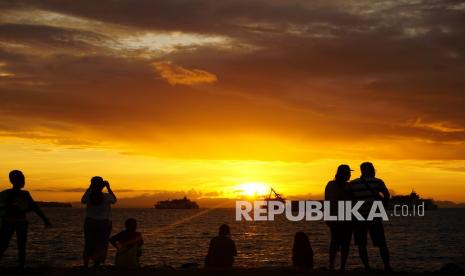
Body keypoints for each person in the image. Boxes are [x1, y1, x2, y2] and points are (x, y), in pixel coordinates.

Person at [0, 170, 52, 269]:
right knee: (4, 245)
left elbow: (34, 207)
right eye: (21, 179)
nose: (24, 181)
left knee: (21, 246)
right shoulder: (6, 194)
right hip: (9, 222)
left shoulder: (25, 193)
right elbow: (34, 207)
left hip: (21, 223)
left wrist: (45, 220)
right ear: (14, 181)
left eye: (23, 179)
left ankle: (21, 268)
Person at [350, 162, 392, 272]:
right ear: (372, 170)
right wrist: (383, 206)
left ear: (361, 170)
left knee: (361, 244)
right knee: (381, 243)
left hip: (358, 217)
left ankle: (367, 268)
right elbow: (387, 195)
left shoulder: (353, 184)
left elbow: (349, 200)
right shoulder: (378, 182)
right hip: (375, 216)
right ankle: (387, 267)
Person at [81, 177, 117, 268]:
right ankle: (96, 265)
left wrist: (89, 188)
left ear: (92, 184)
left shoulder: (88, 195)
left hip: (90, 222)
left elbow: (82, 201)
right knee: (101, 244)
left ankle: (86, 265)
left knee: (89, 243)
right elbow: (114, 200)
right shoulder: (106, 196)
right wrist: (108, 188)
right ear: (102, 185)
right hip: (104, 223)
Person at [324, 164, 352, 271]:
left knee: (334, 242)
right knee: (345, 243)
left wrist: (327, 217)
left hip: (333, 219)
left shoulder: (330, 185)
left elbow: (327, 202)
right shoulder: (349, 187)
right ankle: (342, 267)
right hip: (346, 219)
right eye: (348, 173)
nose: (349, 175)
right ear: (346, 174)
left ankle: (331, 266)